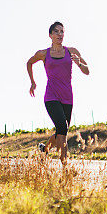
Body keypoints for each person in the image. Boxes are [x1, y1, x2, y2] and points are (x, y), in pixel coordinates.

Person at [26, 21, 89, 166]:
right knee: (62, 126)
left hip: (67, 96)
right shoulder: (43, 54)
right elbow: (29, 63)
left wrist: (79, 63)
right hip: (51, 96)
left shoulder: (71, 51)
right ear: (50, 35)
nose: (60, 34)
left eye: (62, 31)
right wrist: (32, 82)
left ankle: (44, 150)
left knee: (62, 131)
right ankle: (65, 166)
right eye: (56, 32)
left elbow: (87, 71)